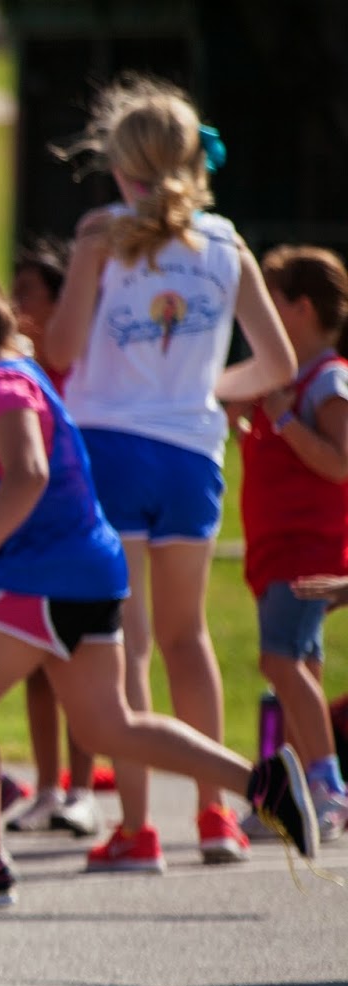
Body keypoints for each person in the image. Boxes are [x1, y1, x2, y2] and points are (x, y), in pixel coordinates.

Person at [0, 274, 320, 907]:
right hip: (85, 571)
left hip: (41, 573)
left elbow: (28, 472)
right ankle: (263, 784)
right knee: (108, 726)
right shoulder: (16, 377)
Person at [45, 76, 296, 873]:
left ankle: (138, 827)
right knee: (189, 639)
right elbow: (279, 362)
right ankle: (217, 817)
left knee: (132, 642)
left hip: (110, 445)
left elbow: (58, 348)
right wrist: (204, 391)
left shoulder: (100, 235)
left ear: (118, 163)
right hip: (191, 451)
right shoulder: (225, 244)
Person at [235, 245, 348, 843]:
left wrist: (283, 419)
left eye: (270, 303)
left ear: (301, 308)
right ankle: (301, 790)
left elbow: (339, 463)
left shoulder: (328, 379)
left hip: (308, 548)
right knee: (296, 663)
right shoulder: (285, 379)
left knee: (282, 658)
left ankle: (328, 786)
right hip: (276, 547)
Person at [7, 238, 105, 837]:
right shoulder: (13, 373)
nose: (18, 304)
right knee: (36, 671)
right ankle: (47, 787)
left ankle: (84, 789)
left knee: (79, 668)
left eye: (30, 293)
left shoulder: (82, 374)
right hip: (26, 537)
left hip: (73, 537)